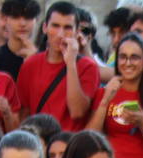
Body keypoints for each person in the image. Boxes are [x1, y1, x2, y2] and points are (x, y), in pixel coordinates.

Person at [86, 34, 143, 158]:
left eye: (134, 58)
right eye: (123, 57)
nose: (128, 63)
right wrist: (105, 100)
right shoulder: (103, 93)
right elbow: (89, 140)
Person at [18, 2, 97, 133]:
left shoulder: (88, 67)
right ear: (45, 28)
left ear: (77, 32)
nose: (60, 34)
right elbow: (24, 113)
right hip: (39, 143)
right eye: (55, 26)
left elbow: (77, 111)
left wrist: (71, 63)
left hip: (69, 144)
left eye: (67, 27)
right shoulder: (30, 64)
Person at [0, 0, 39, 80]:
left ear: (36, 20)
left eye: (28, 17)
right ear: (6, 19)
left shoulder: (46, 59)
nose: (22, 24)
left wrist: (35, 61)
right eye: (16, 17)